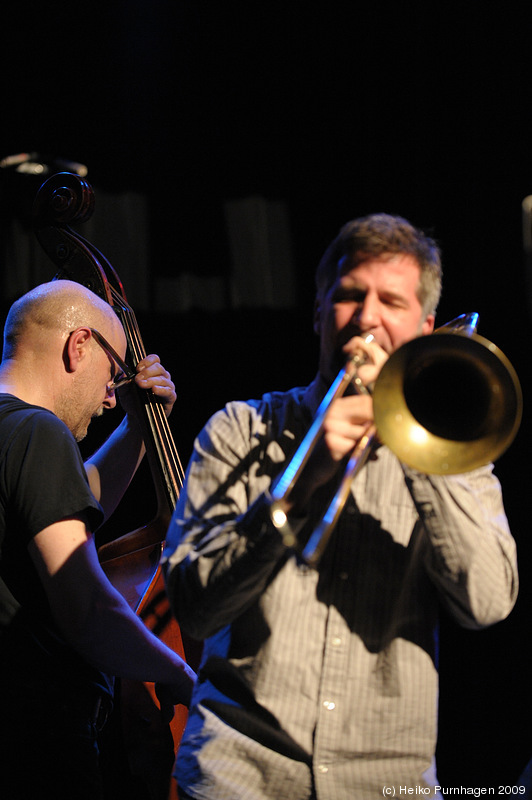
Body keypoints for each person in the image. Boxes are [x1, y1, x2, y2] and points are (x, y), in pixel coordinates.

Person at [162, 213, 519, 800]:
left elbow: (486, 601)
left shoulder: (457, 455)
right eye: (350, 295)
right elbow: (196, 612)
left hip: (385, 784)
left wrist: (413, 442)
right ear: (318, 312)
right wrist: (300, 482)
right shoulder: (238, 430)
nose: (368, 318)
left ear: (427, 326)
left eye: (391, 301)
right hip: (240, 775)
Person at [0, 280, 196, 800]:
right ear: (78, 344)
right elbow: (85, 607)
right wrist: (179, 672)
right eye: (113, 375)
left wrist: (139, 426)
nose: (112, 397)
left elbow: (70, 502)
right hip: (35, 743)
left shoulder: (13, 433)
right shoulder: (39, 432)